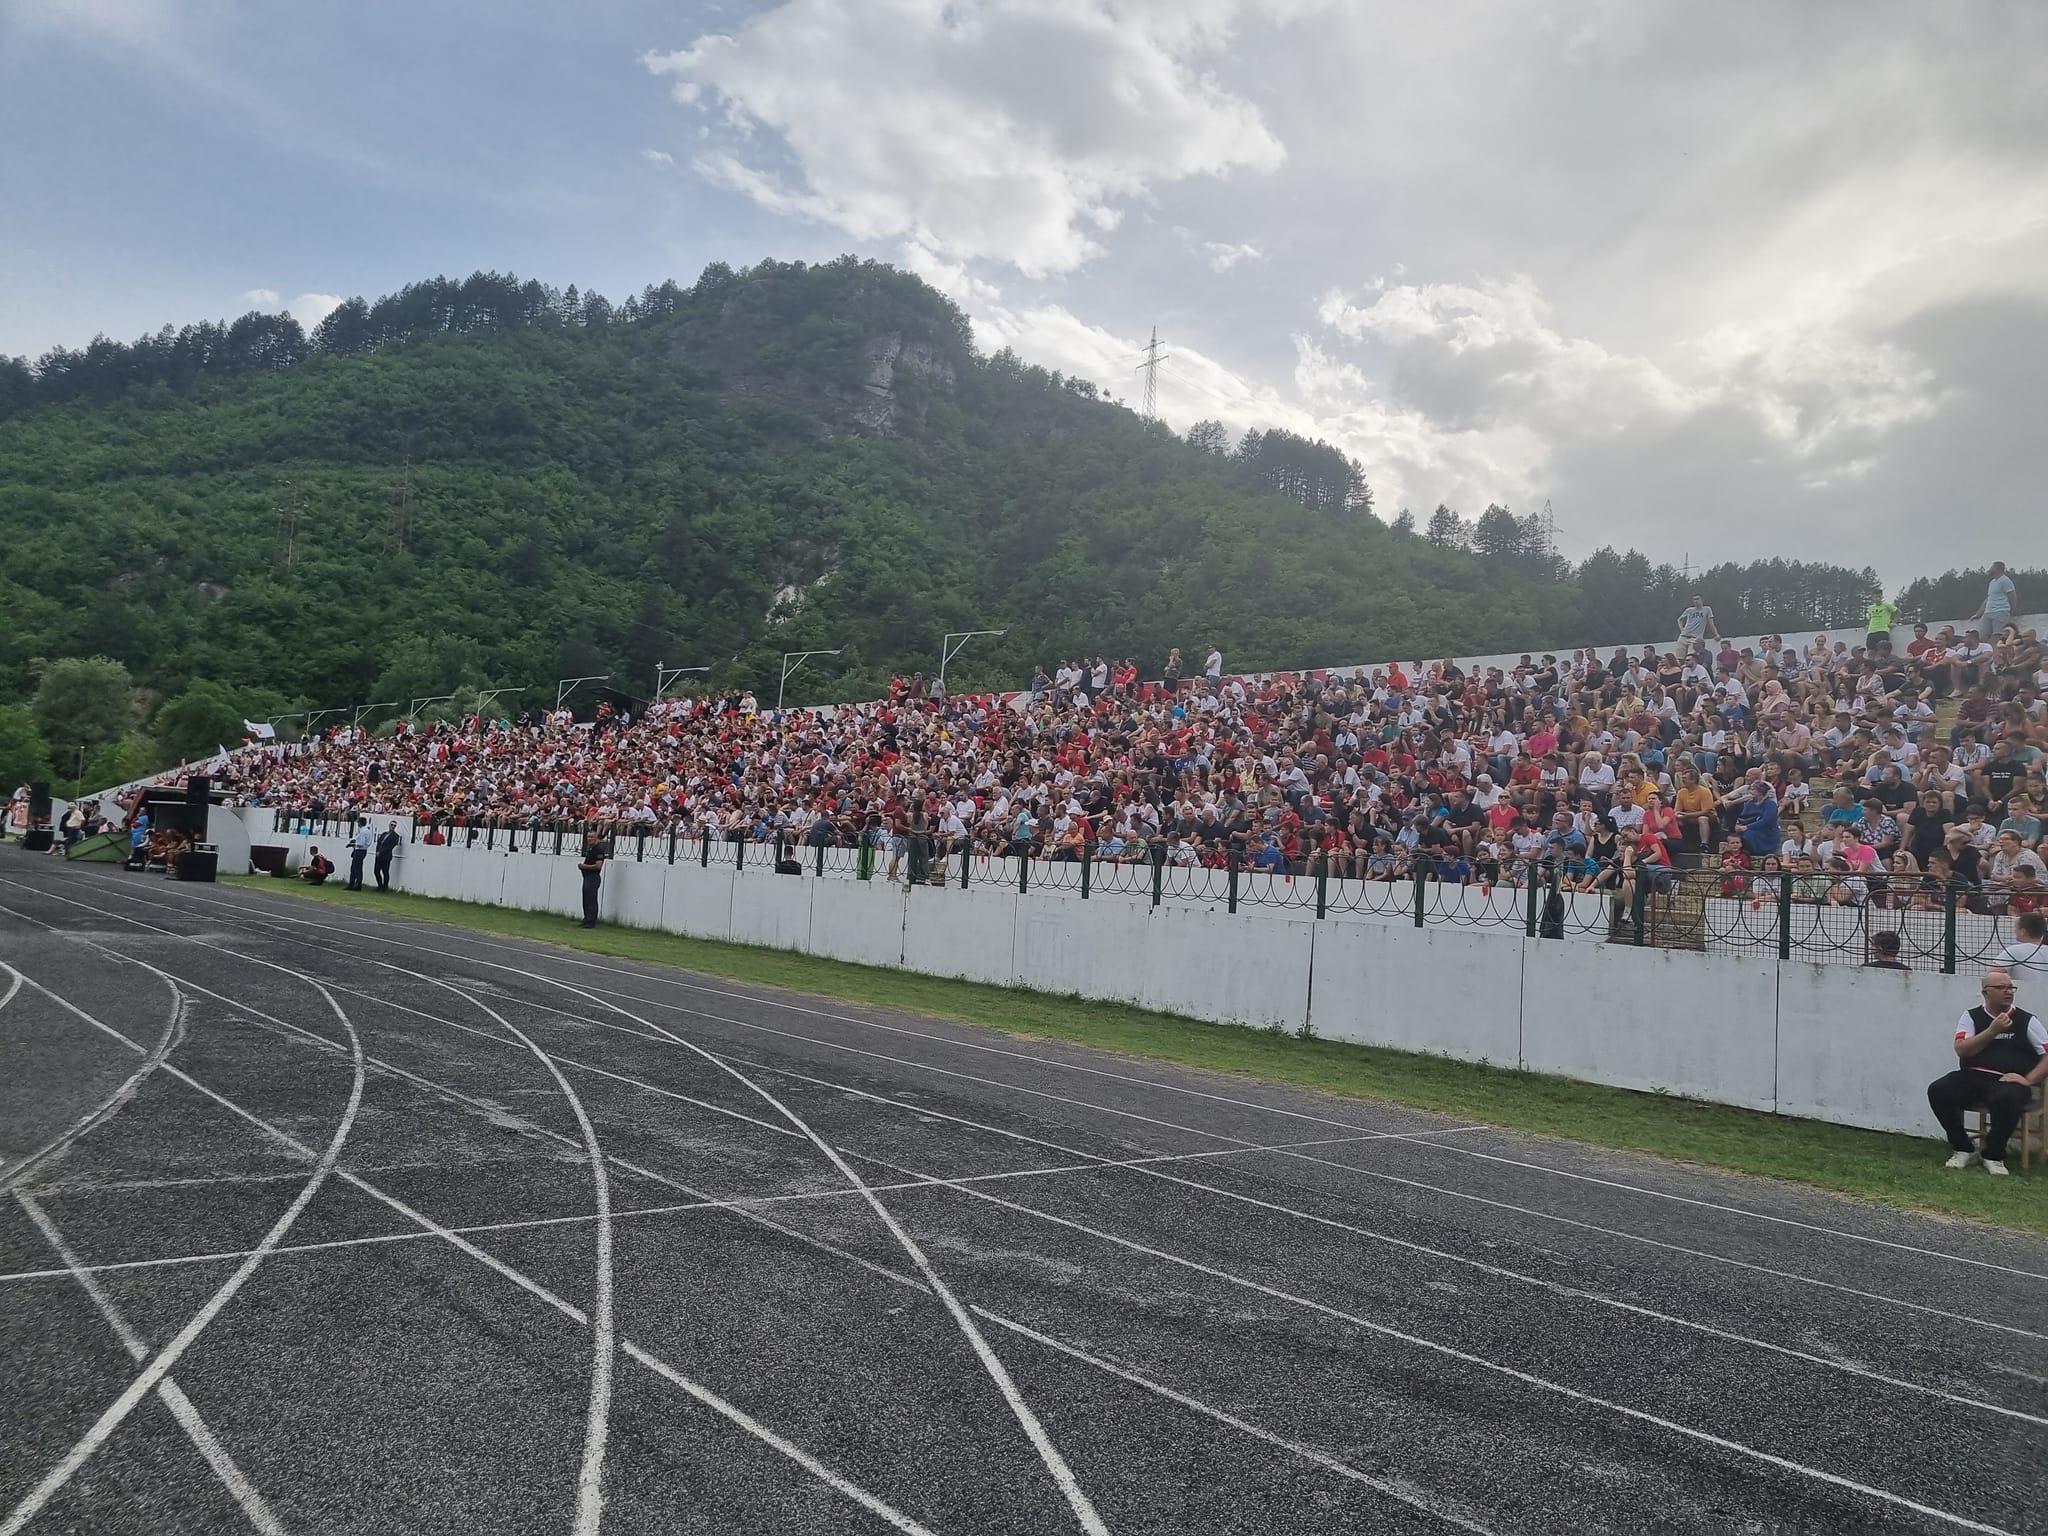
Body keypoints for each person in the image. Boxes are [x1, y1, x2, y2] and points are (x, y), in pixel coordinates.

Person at [1928, 970, 2045, 1175]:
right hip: (1974, 1076)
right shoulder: (1971, 1016)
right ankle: (1963, 1148)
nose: (2008, 992)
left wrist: (2027, 1080)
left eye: (2010, 987)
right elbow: (1962, 1049)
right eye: (2001, 988)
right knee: (1938, 1089)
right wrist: (1992, 1030)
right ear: (1985, 992)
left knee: (2008, 1098)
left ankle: (1993, 1154)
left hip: (2010, 1080)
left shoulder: (2026, 1020)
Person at [1994, 910, 2048, 981]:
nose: (2014, 931)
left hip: (2022, 991)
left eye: (2016, 928)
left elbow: (1992, 973)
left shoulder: (2013, 951)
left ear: (2023, 931)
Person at [1970, 560, 2016, 637]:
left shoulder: (2005, 580)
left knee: (1997, 636)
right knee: (1982, 636)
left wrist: (2012, 610)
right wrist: (1978, 614)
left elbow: (2012, 595)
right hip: (1988, 612)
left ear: (1996, 569)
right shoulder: (1992, 582)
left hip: (2000, 612)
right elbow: (1988, 599)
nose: (1990, 569)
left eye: (1992, 567)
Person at [577, 837, 605, 928]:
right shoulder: (591, 849)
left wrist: (585, 866)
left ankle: (591, 921)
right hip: (587, 877)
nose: (589, 839)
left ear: (597, 838)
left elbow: (598, 866)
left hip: (593, 877)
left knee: (591, 900)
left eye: (592, 837)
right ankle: (586, 918)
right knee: (586, 899)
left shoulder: (598, 850)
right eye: (588, 837)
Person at [374, 820, 402, 891]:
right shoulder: (384, 834)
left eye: (394, 825)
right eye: (391, 825)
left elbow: (390, 846)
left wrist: (381, 852)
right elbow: (379, 842)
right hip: (378, 855)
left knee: (385, 872)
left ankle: (384, 887)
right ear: (389, 825)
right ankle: (380, 885)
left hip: (386, 856)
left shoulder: (396, 836)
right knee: (376, 871)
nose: (392, 826)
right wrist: (377, 851)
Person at [346, 820, 372, 890]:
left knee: (356, 868)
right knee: (355, 868)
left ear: (360, 823)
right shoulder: (367, 831)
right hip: (362, 851)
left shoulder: (363, 832)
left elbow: (361, 843)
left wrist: (352, 844)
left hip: (359, 850)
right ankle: (353, 884)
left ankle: (357, 885)